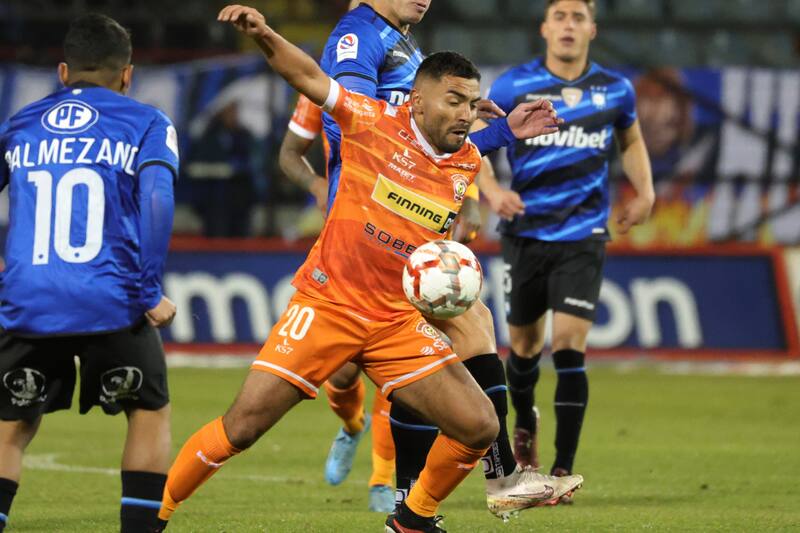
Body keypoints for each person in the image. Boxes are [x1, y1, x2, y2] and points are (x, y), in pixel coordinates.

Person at [155, 5, 582, 532]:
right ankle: (154, 516)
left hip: (395, 321)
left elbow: (463, 145)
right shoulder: (367, 119)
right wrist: (265, 35)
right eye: (455, 101)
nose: (467, 114)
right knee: (242, 427)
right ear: (416, 99)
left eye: (473, 104)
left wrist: (508, 131)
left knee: (478, 425)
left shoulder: (466, 160)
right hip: (329, 306)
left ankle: (411, 520)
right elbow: (308, 77)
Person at [278, 1, 537, 517]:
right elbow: (329, 140)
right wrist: (320, 187)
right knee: (349, 374)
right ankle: (355, 429)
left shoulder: (407, 52)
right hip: (365, 226)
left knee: (453, 335)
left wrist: (467, 151)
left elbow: (432, 144)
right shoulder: (350, 52)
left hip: (411, 222)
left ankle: (415, 484)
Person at [0, 14, 178, 532]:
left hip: (29, 298)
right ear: (128, 75)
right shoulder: (147, 122)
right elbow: (158, 200)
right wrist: (149, 290)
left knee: (11, 425)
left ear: (63, 71)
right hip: (113, 297)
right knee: (147, 412)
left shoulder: (20, 124)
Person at [481, 0, 654, 502]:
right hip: (525, 233)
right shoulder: (513, 85)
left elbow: (631, 141)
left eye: (578, 17)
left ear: (592, 29)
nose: (569, 26)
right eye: (560, 16)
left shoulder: (615, 89)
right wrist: (491, 192)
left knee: (569, 347)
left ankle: (562, 470)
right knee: (524, 350)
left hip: (583, 235)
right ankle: (525, 421)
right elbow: (475, 143)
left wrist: (645, 192)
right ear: (545, 28)